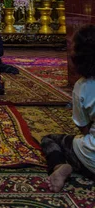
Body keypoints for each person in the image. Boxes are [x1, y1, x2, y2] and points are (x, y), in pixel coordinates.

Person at [41, 24, 95, 192]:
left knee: (49, 139)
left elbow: (83, 128)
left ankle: (59, 166)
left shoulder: (83, 86)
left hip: (91, 158)